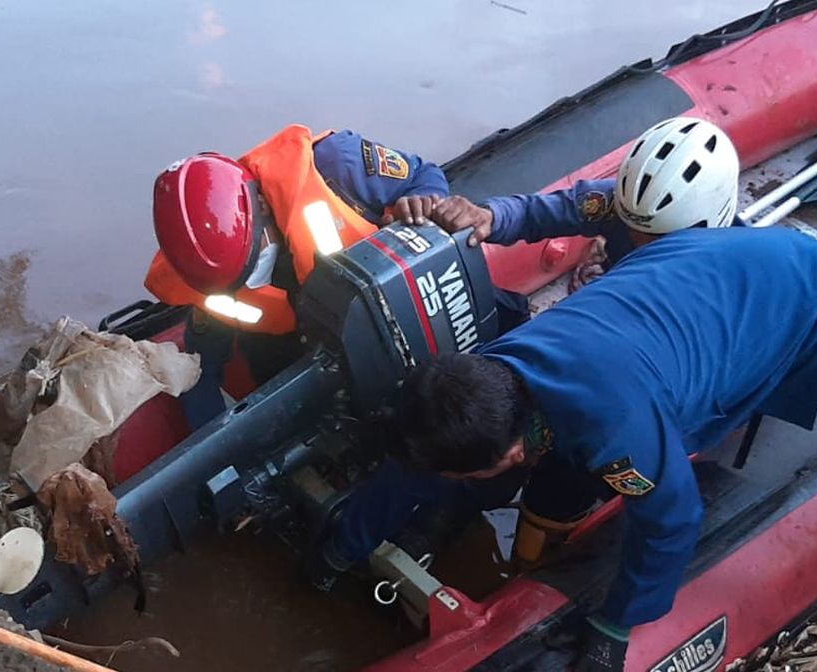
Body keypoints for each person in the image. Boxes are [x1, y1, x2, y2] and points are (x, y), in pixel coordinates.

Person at [388, 119, 817, 672]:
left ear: (508, 454)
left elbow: (673, 517)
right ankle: (532, 563)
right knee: (565, 475)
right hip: (694, 313)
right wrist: (495, 217)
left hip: (810, 299)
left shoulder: (615, 427)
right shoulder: (498, 368)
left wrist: (616, 624)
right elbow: (570, 207)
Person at [310, 117, 741, 588]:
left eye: (648, 239)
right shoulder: (625, 207)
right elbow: (550, 209)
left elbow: (666, 496)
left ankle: (528, 568)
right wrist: (489, 217)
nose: (636, 242)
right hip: (575, 341)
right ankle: (408, 530)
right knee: (461, 440)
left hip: (634, 376)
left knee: (559, 493)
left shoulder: (720, 284)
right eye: (631, 228)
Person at [146, 125, 455, 429]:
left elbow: (424, 175)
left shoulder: (338, 164)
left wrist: (423, 199)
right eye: (236, 282)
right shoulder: (206, 276)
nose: (251, 283)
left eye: (252, 264)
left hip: (388, 309)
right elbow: (201, 365)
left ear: (262, 205)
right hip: (293, 348)